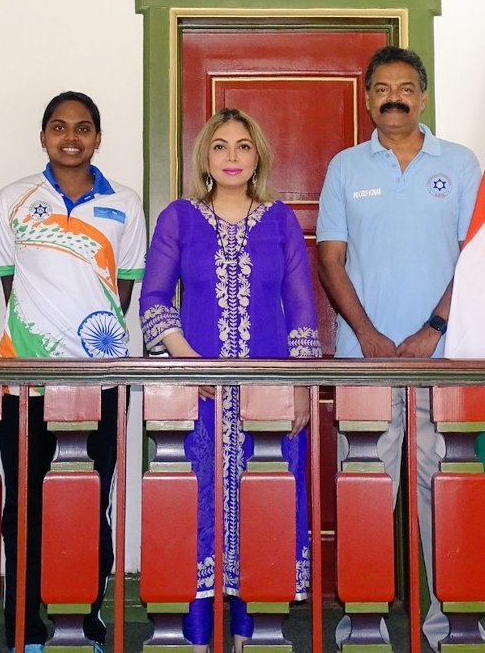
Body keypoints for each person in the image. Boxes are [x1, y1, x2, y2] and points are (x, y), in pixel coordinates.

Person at [315, 45, 482, 651]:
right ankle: (363, 623)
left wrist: (433, 328)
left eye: (406, 88)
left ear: (423, 97)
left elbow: (477, 255)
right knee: (366, 490)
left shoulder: (460, 164)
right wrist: (367, 334)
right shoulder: (345, 167)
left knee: (447, 490)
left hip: (447, 357)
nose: (394, 98)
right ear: (367, 98)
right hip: (366, 360)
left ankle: (453, 624)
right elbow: (330, 259)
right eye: (382, 88)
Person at [140, 108, 321, 653]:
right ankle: (196, 638)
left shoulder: (281, 221)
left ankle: (252, 636)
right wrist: (188, 360)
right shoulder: (179, 218)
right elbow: (153, 300)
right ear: (206, 158)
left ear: (258, 156)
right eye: (220, 146)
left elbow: (302, 309)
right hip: (198, 394)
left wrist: (300, 387)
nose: (233, 156)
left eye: (243, 146)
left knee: (265, 505)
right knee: (196, 508)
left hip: (269, 395)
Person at [0, 91, 147, 653]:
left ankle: (85, 624)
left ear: (98, 138)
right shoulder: (13, 198)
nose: (71, 137)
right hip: (25, 381)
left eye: (83, 127)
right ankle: (26, 631)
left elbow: (122, 289)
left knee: (90, 504)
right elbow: (10, 284)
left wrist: (87, 339)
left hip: (99, 382)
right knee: (24, 507)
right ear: (43, 136)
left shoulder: (125, 203)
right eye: (59, 127)